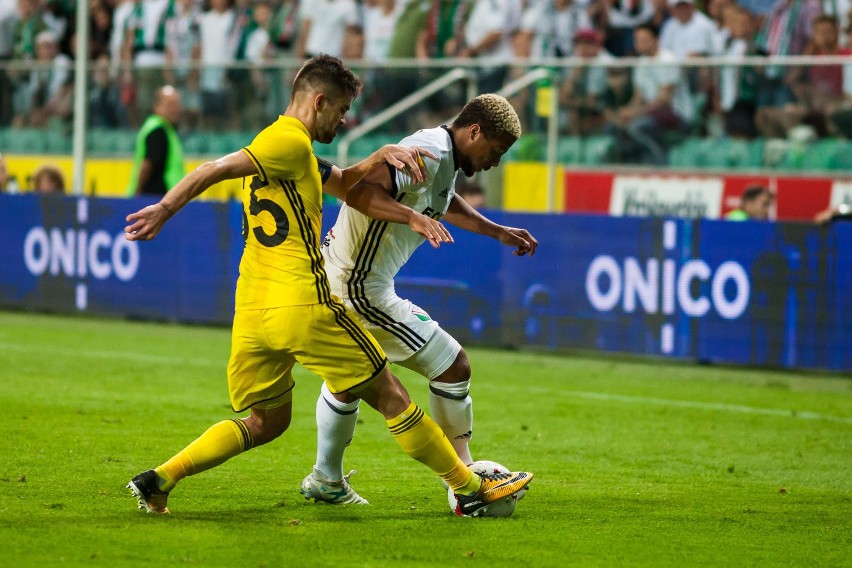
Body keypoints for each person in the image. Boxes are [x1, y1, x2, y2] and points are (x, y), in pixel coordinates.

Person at [123, 55, 533, 517]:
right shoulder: (286, 141)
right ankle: (468, 485)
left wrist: (378, 157)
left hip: (253, 311)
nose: (344, 120)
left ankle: (160, 479)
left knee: (266, 422)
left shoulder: (294, 152)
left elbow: (345, 185)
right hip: (303, 303)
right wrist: (164, 207)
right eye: (340, 111)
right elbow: (213, 169)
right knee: (391, 394)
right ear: (319, 102)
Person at [300, 93, 538, 505]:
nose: (495, 162)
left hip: (348, 281)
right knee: (452, 365)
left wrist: (496, 230)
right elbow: (359, 193)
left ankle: (326, 477)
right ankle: (465, 482)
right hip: (358, 288)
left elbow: (442, 198)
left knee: (348, 382)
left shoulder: (442, 157)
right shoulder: (428, 151)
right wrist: (411, 216)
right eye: (495, 151)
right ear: (475, 131)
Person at [126, 85, 184, 197]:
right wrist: (137, 193)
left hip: (164, 196)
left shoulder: (166, 129)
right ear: (157, 106)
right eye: (170, 105)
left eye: (177, 105)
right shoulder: (157, 130)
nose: (175, 109)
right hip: (155, 198)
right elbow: (147, 164)